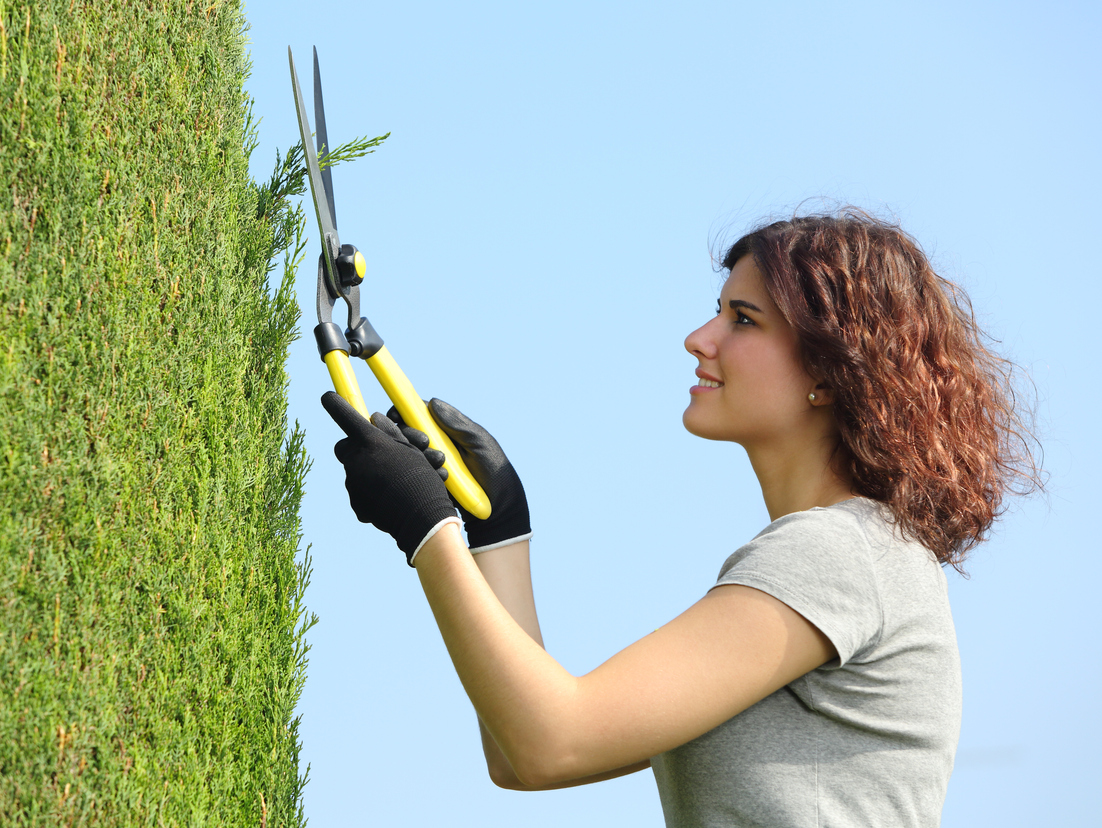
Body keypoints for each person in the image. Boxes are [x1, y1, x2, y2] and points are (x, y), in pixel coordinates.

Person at [321, 209, 1040, 826]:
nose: (700, 337)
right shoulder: (851, 552)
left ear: (830, 371)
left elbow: (550, 741)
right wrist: (495, 533)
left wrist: (427, 529)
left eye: (743, 319)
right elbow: (521, 756)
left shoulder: (839, 553)